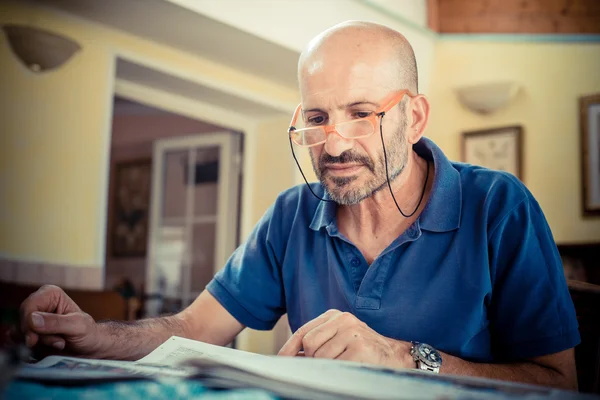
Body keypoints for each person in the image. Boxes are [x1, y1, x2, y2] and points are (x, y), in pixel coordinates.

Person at [17, 21, 579, 390]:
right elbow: (192, 327)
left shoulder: (499, 207)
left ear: (416, 119)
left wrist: (403, 358)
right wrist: (97, 336)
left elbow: (559, 382)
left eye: (362, 113)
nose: (334, 144)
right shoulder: (291, 215)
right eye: (317, 118)